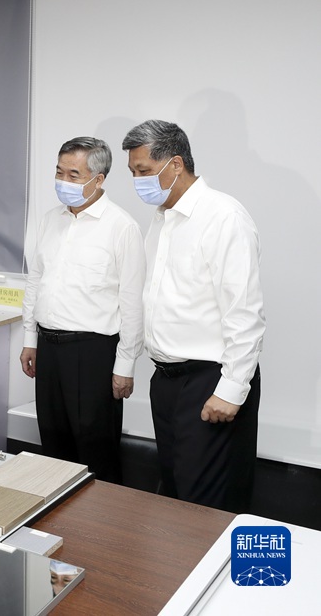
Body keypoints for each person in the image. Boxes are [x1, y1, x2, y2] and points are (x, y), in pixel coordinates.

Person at [123, 119, 265, 513]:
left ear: (176, 164)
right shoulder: (162, 219)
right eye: (132, 172)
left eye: (144, 171)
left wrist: (231, 389)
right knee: (175, 491)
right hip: (167, 381)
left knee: (206, 505)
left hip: (210, 380)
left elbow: (244, 312)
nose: (137, 181)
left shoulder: (223, 217)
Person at [19, 137, 145, 482]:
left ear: (98, 179)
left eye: (73, 175)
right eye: (59, 172)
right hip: (49, 347)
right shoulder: (51, 220)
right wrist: (30, 338)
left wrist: (125, 365)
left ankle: (103, 512)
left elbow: (132, 302)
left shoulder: (122, 227)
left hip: (93, 353)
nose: (63, 181)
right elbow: (36, 280)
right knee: (53, 444)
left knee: (96, 448)